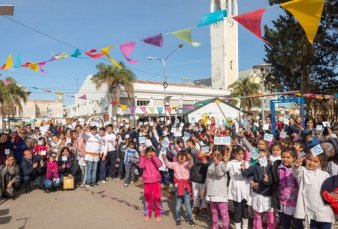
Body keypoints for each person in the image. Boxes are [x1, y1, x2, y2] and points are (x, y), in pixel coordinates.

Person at [293, 153, 335, 228]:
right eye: (310, 160)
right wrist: (296, 166)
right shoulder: (303, 171)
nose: (311, 163)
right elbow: (296, 172)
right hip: (310, 210)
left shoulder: (325, 174)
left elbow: (330, 189)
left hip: (324, 209)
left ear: (320, 163)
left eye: (315, 161)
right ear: (305, 159)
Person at [241, 149, 275, 229]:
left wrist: (267, 180)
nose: (261, 158)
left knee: (270, 215)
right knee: (257, 215)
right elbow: (246, 174)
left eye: (263, 157)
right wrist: (243, 169)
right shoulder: (255, 166)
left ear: (267, 157)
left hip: (268, 194)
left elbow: (272, 180)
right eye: (259, 156)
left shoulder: (271, 167)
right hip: (257, 194)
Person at [271, 147, 303, 229]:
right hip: (283, 203)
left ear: (294, 158)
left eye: (288, 157)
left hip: (297, 203)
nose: (285, 159)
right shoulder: (277, 168)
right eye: (283, 157)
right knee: (285, 224)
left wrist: (297, 168)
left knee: (298, 224)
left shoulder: (299, 169)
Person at [162, 150, 195, 227]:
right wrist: (164, 158)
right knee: (178, 205)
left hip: (186, 187)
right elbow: (168, 164)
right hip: (178, 187)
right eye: (180, 155)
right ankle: (178, 219)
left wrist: (190, 159)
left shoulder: (187, 164)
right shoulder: (175, 164)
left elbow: (191, 164)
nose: (182, 157)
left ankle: (189, 219)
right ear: (177, 157)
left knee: (188, 205)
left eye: (183, 156)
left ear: (186, 157)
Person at [204, 148, 229, 229]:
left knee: (223, 212)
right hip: (212, 193)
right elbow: (207, 179)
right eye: (214, 155)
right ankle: (215, 227)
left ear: (221, 156)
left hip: (221, 193)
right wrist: (205, 190)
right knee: (214, 212)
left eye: (218, 155)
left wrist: (217, 164)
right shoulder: (210, 166)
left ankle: (225, 227)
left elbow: (219, 174)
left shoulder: (223, 164)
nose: (216, 157)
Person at [226, 145, 250, 229]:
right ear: (234, 154)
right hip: (235, 187)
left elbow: (249, 175)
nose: (241, 155)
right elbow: (224, 169)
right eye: (239, 154)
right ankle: (237, 227)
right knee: (237, 210)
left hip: (245, 186)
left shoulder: (246, 163)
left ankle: (245, 227)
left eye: (242, 154)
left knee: (245, 209)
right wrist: (226, 159)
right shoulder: (230, 163)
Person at [139, 146, 163, 222]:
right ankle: (147, 213)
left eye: (151, 152)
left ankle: (158, 213)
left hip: (156, 181)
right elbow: (141, 166)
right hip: (147, 181)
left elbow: (159, 165)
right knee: (148, 198)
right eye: (148, 152)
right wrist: (142, 156)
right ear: (146, 153)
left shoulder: (155, 159)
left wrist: (154, 157)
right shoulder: (144, 159)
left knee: (157, 198)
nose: (149, 154)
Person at [188, 139, 209, 216]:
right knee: (195, 195)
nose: (201, 152)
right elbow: (189, 156)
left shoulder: (208, 159)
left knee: (203, 195)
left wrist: (206, 163)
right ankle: (196, 206)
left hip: (203, 179)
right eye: (201, 150)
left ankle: (204, 208)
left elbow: (210, 165)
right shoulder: (194, 156)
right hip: (195, 179)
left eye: (204, 150)